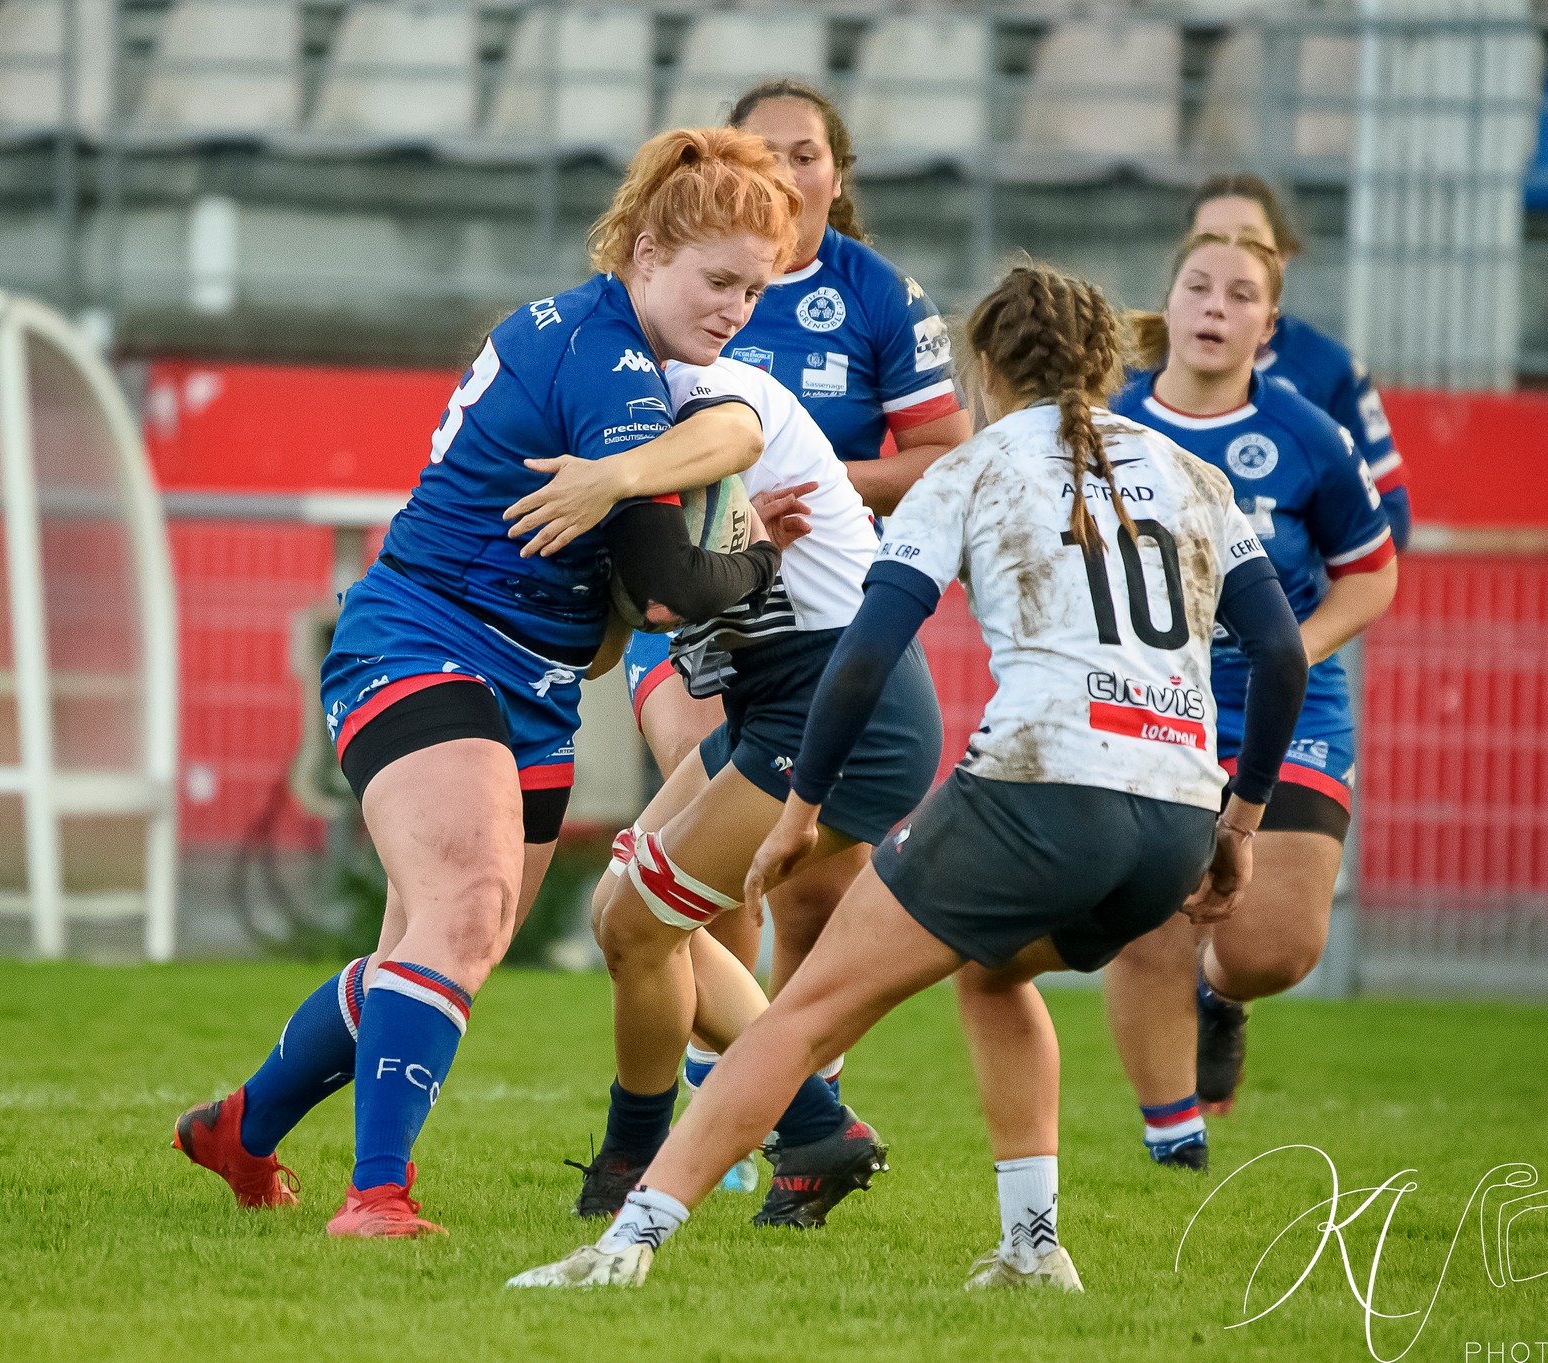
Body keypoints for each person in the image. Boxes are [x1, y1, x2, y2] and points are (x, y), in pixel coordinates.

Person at [506, 261, 1310, 1292]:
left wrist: (801, 808)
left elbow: (867, 647)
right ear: (1107, 364)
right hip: (1176, 814)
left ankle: (625, 1246)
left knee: (801, 1014)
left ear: (984, 369)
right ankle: (1032, 1250)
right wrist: (1239, 826)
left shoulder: (973, 468)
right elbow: (1281, 653)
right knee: (995, 972)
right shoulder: (1193, 474)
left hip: (1035, 790)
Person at [169, 127, 804, 1240]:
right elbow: (665, 588)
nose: (735, 310)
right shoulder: (607, 360)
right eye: (718, 281)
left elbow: (644, 564)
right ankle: (376, 1198)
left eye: (753, 291)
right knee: (463, 911)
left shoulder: (633, 355)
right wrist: (755, 563)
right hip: (424, 643)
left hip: (536, 685)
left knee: (440, 937)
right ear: (647, 251)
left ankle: (241, 1126)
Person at [597, 80, 967, 1101]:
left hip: (817, 610)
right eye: (763, 151)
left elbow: (946, 455)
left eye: (805, 153)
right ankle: (731, 1093)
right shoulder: (655, 302)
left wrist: (811, 483)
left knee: (800, 891)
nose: (785, 172)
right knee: (695, 854)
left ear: (836, 175)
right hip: (699, 600)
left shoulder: (877, 296)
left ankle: (792, 1097)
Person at [571, 352, 941, 1228]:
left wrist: (684, 542)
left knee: (641, 923)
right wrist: (687, 562)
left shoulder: (707, 396)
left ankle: (636, 1158)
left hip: (843, 704)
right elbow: (612, 643)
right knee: (617, 910)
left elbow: (732, 449)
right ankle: (813, 1126)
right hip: (774, 703)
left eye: (741, 289)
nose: (735, 307)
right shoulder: (618, 427)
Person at [1102, 231, 1398, 1168]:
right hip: (1150, 702)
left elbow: (1372, 572)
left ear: (1268, 326)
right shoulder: (1104, 424)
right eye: (1199, 287)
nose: (1215, 307)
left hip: (1287, 708)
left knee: (1278, 947)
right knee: (1154, 922)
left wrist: (1289, 655)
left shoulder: (1309, 434)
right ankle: (1174, 1142)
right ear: (1170, 302)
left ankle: (1223, 994)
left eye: (1240, 295)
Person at [1186, 174, 1412, 550]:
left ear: (1282, 255)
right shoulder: (1140, 369)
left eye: (1249, 240)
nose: (1229, 254)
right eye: (1210, 240)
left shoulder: (1329, 370)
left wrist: (1285, 548)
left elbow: (1390, 517)